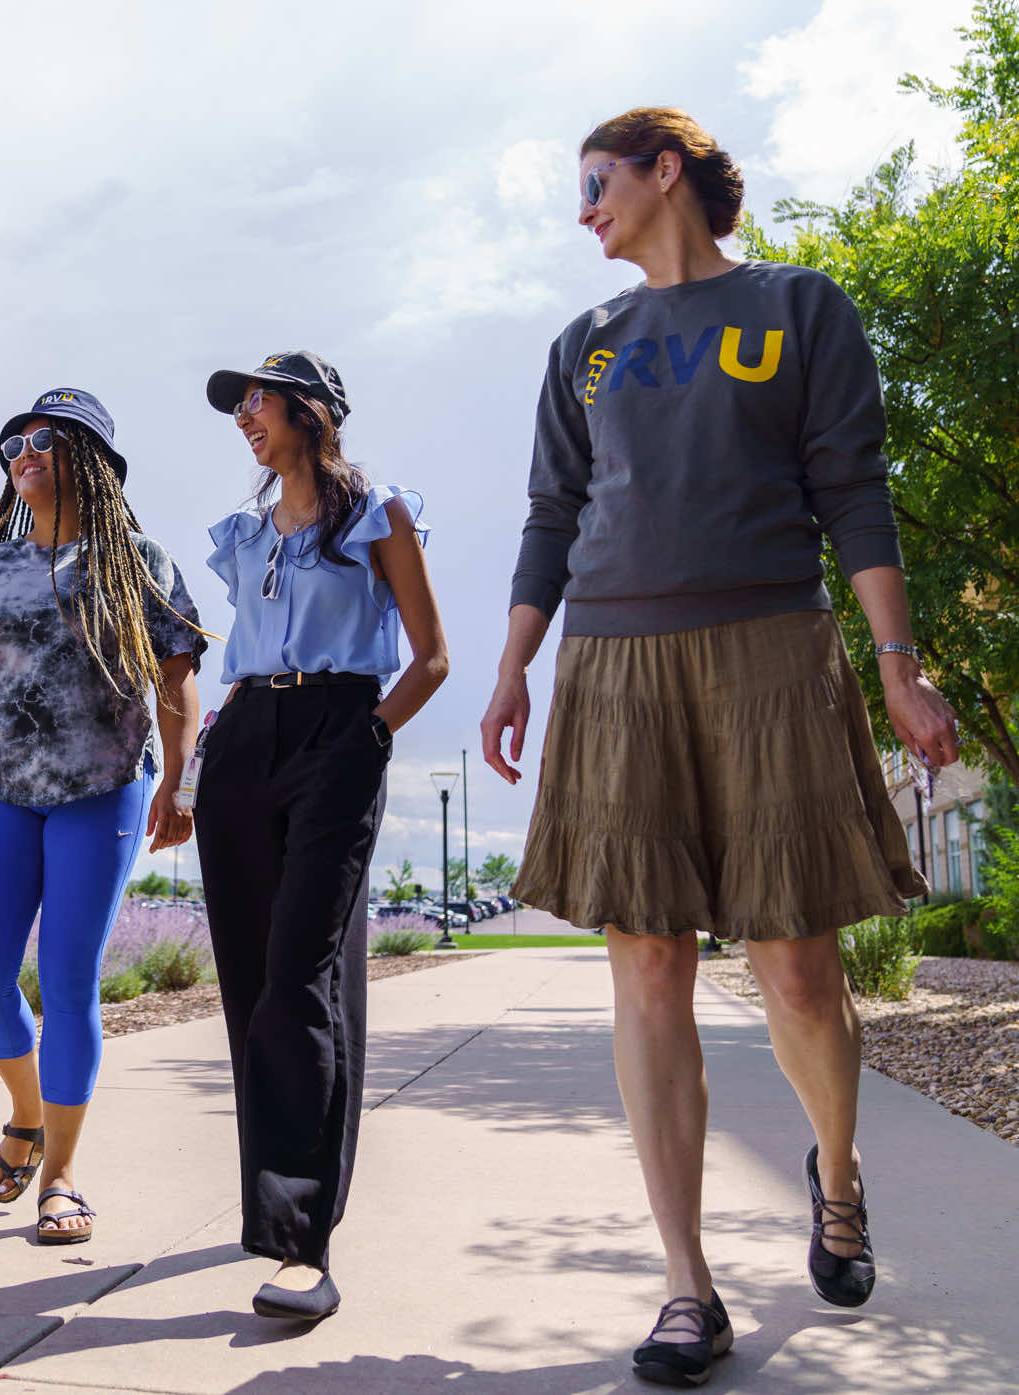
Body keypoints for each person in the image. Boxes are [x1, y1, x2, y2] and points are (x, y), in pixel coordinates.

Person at [479, 109, 960, 1386]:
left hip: (772, 648)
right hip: (616, 663)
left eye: (595, 183)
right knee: (647, 968)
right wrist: (517, 662)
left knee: (796, 969)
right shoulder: (584, 346)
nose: (584, 211)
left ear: (663, 170)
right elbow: (551, 511)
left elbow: (851, 488)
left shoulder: (801, 308)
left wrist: (899, 670)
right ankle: (686, 1285)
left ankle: (837, 1176)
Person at [193, 351, 448, 1322]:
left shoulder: (379, 516)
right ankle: (273, 1199)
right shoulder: (248, 536)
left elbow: (431, 657)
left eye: (255, 400)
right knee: (253, 987)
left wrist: (367, 737)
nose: (244, 418)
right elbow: (243, 665)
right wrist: (197, 766)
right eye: (238, 408)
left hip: (339, 733)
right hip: (243, 744)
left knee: (302, 975)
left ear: (310, 409)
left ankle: (303, 1245)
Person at [0, 388, 204, 1245]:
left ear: (92, 460)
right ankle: (28, 1109)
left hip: (101, 789)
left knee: (70, 982)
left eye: (45, 438)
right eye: (13, 440)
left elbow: (177, 675)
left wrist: (180, 781)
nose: (23, 451)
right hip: (1, 791)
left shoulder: (136, 559)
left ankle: (63, 1173)